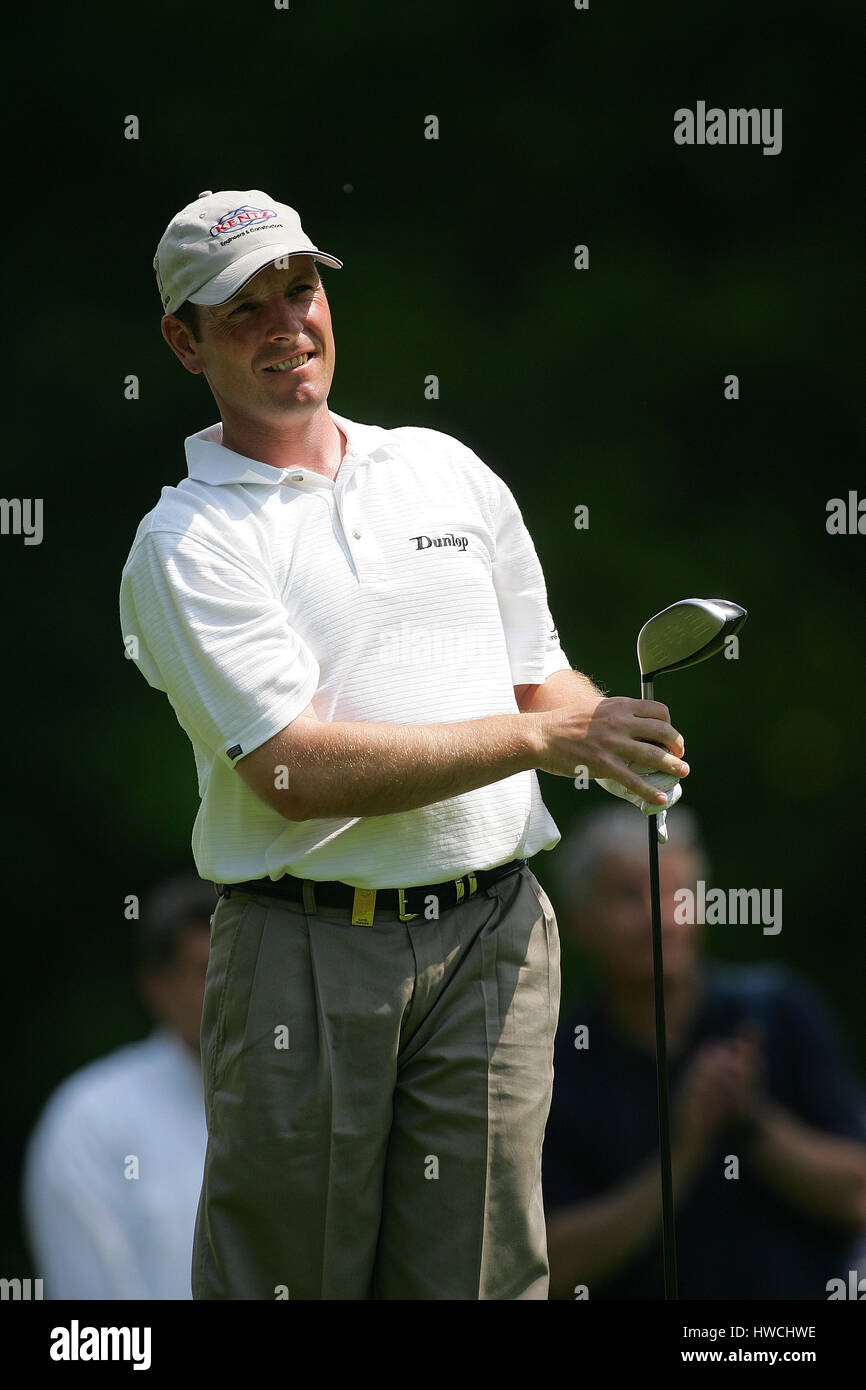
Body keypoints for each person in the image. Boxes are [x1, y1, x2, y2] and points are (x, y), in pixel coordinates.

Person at [118, 187, 689, 1300]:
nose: (288, 323)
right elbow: (294, 771)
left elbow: (540, 674)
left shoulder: (442, 467)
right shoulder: (186, 541)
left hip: (494, 932)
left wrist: (602, 728)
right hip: (305, 948)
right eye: (244, 310)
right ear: (183, 342)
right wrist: (541, 735)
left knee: (480, 1282)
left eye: (301, 289)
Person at [542, 804, 866, 1300]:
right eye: (631, 896)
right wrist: (682, 1155)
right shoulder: (560, 1064)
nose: (661, 918)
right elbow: (549, 1265)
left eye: (677, 894)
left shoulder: (778, 1014)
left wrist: (752, 1120)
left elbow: (857, 1194)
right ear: (581, 921)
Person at [22, 876, 213, 1299]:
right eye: (204, 971)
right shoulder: (92, 1120)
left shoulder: (304, 1105)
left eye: (238, 968)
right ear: (157, 985)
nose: (226, 990)